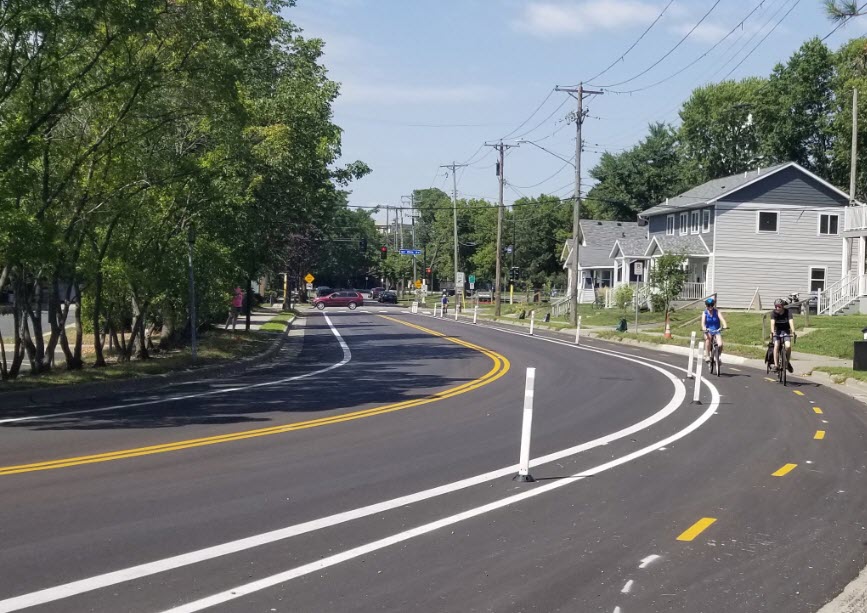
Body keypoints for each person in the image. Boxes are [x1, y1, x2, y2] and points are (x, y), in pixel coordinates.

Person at [770, 298, 795, 373]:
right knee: (776, 345)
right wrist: (772, 332)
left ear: (783, 306)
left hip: (786, 331)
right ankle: (776, 365)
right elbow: (772, 323)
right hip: (777, 331)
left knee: (788, 346)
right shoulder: (773, 313)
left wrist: (793, 331)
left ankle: (787, 363)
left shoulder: (788, 312)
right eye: (776, 306)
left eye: (779, 306)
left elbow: (791, 322)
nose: (777, 308)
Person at [701, 297, 728, 362]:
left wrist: (725, 326)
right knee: (708, 339)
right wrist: (704, 329)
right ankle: (707, 355)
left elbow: (722, 320)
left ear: (713, 305)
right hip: (708, 330)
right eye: (708, 305)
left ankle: (718, 357)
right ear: (706, 306)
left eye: (712, 305)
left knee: (720, 344)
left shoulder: (717, 312)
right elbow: (703, 323)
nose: (710, 307)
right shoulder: (705, 313)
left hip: (716, 330)